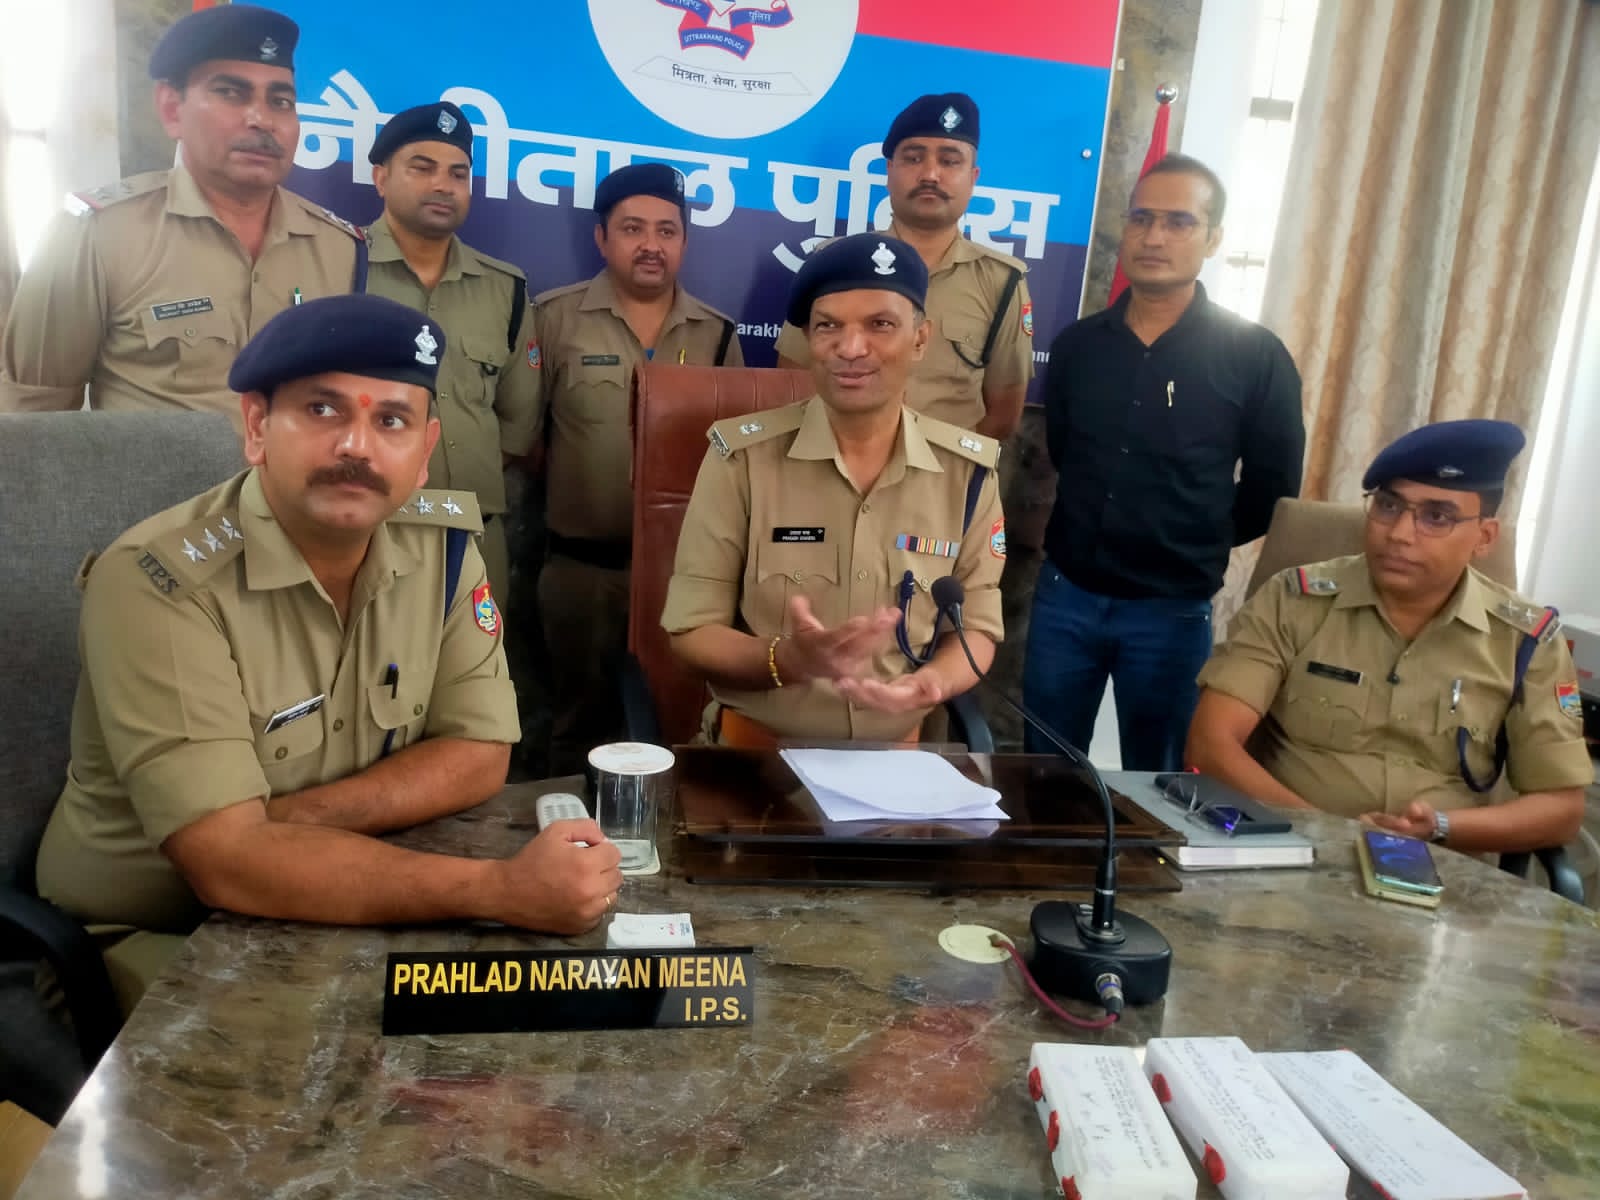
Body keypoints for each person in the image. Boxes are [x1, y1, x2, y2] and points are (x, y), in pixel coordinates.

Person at [33, 294, 622, 1014]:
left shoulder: (443, 551)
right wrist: (499, 889)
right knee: (380, 1045)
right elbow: (225, 867)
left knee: (534, 1018)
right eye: (322, 410)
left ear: (425, 450)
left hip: (340, 905)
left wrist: (277, 830)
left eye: (392, 420)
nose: (357, 447)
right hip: (157, 932)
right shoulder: (160, 583)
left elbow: (479, 751)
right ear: (256, 427)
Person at [661, 232, 1005, 745]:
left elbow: (975, 628)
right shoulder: (743, 460)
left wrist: (933, 682)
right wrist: (786, 659)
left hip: (896, 763)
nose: (851, 348)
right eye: (828, 326)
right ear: (808, 341)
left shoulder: (968, 473)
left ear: (920, 339)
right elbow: (690, 633)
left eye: (880, 324)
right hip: (756, 760)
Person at [1186, 420, 1591, 855]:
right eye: (1388, 505)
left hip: (1444, 870)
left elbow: (1560, 810)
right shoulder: (1294, 600)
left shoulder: (1525, 640)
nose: (1399, 534)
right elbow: (1210, 744)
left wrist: (1440, 827)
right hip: (1290, 852)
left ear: (1484, 537)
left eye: (1436, 517)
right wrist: (1328, 835)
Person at [1023, 153, 1303, 770]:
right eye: (1142, 219)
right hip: (1067, 597)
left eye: (1179, 222)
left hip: (1171, 610)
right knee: (1043, 770)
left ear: (1214, 239)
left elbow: (1274, 489)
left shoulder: (1254, 356)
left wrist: (1191, 534)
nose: (1154, 237)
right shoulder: (1078, 346)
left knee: (1162, 781)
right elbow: (1066, 451)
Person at [0, 4, 366, 417]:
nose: (262, 119)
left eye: (280, 101)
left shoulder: (338, 247)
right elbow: (34, 416)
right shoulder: (96, 235)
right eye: (231, 93)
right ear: (172, 110)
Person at [533, 162, 743, 773]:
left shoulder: (716, 333)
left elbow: (738, 458)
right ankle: (570, 827)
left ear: (684, 242)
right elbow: (527, 442)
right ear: (602, 238)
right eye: (632, 229)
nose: (651, 245)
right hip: (582, 573)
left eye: (667, 230)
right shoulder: (554, 318)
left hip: (686, 579)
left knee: (674, 725)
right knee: (574, 728)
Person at [362, 100, 540, 606]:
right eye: (422, 168)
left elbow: (518, 422)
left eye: (458, 173)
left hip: (473, 537)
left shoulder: (505, 289)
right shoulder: (341, 266)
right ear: (381, 177)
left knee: (480, 657)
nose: (443, 185)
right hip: (368, 533)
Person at [774, 93, 1033, 440]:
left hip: (943, 472)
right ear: (889, 171)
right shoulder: (832, 264)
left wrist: (949, 467)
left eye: (949, 161)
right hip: (833, 464)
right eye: (913, 158)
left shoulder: (1001, 282)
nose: (930, 174)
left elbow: (1003, 414)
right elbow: (790, 384)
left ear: (973, 178)